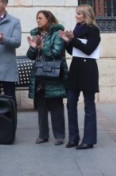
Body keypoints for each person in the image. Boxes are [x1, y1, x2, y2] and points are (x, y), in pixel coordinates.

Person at [59, 4, 100, 150]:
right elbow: (74, 51)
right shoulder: (77, 29)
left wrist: (73, 39)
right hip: (75, 69)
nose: (76, 16)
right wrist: (66, 41)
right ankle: (73, 138)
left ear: (86, 16)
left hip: (88, 70)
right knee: (70, 104)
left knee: (89, 106)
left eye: (79, 14)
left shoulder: (94, 30)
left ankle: (88, 140)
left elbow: (88, 50)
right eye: (76, 13)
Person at [26, 10, 67, 145]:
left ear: (48, 19)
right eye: (36, 18)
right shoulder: (36, 34)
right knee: (41, 107)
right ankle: (43, 135)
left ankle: (59, 136)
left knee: (56, 106)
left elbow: (57, 53)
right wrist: (33, 47)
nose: (37, 20)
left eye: (40, 18)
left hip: (53, 76)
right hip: (39, 75)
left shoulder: (57, 34)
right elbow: (31, 56)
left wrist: (42, 47)